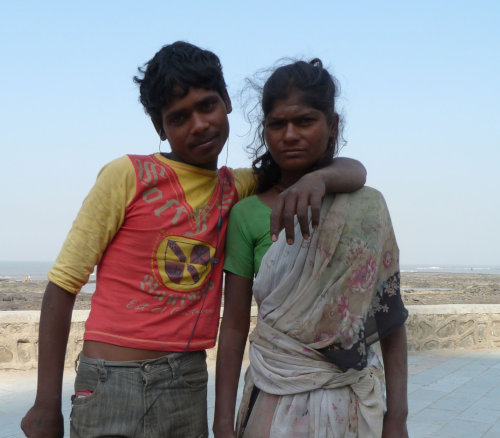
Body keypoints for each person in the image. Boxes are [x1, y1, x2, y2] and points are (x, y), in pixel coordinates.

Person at [20, 43, 367, 438]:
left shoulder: (237, 186)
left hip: (187, 380)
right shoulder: (128, 175)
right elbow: (63, 285)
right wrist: (46, 403)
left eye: (208, 106)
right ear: (160, 128)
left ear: (227, 103)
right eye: (179, 117)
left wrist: (318, 179)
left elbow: (354, 170)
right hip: (110, 383)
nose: (199, 124)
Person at [213, 59, 409, 438]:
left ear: (332, 126)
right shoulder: (247, 214)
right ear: (264, 131)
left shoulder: (366, 208)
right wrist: (222, 423)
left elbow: (390, 319)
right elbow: (234, 326)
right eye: (276, 124)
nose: (289, 134)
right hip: (272, 397)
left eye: (304, 121)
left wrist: (397, 416)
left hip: (349, 403)